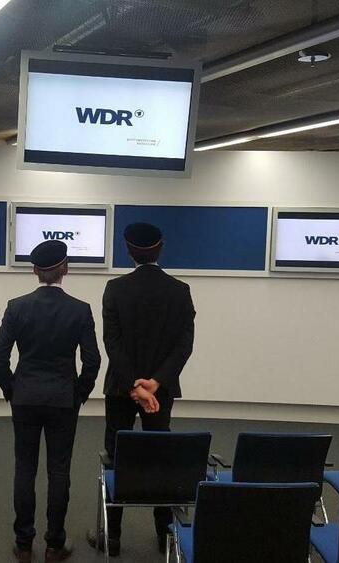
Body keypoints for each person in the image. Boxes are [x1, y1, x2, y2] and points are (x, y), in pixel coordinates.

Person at [88, 222, 196, 556]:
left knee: (116, 457)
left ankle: (113, 537)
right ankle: (165, 534)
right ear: (160, 247)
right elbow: (184, 345)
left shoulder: (115, 288)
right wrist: (155, 383)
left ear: (128, 250)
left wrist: (134, 385)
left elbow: (112, 343)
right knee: (160, 457)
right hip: (160, 392)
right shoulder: (180, 290)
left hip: (121, 389)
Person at [0, 239, 101, 562]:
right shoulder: (80, 309)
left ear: (35, 271)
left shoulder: (16, 307)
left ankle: (24, 544)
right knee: (59, 471)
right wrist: (80, 393)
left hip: (25, 397)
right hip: (63, 399)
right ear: (65, 268)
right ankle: (55, 544)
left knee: (24, 469)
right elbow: (92, 361)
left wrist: (11, 389)